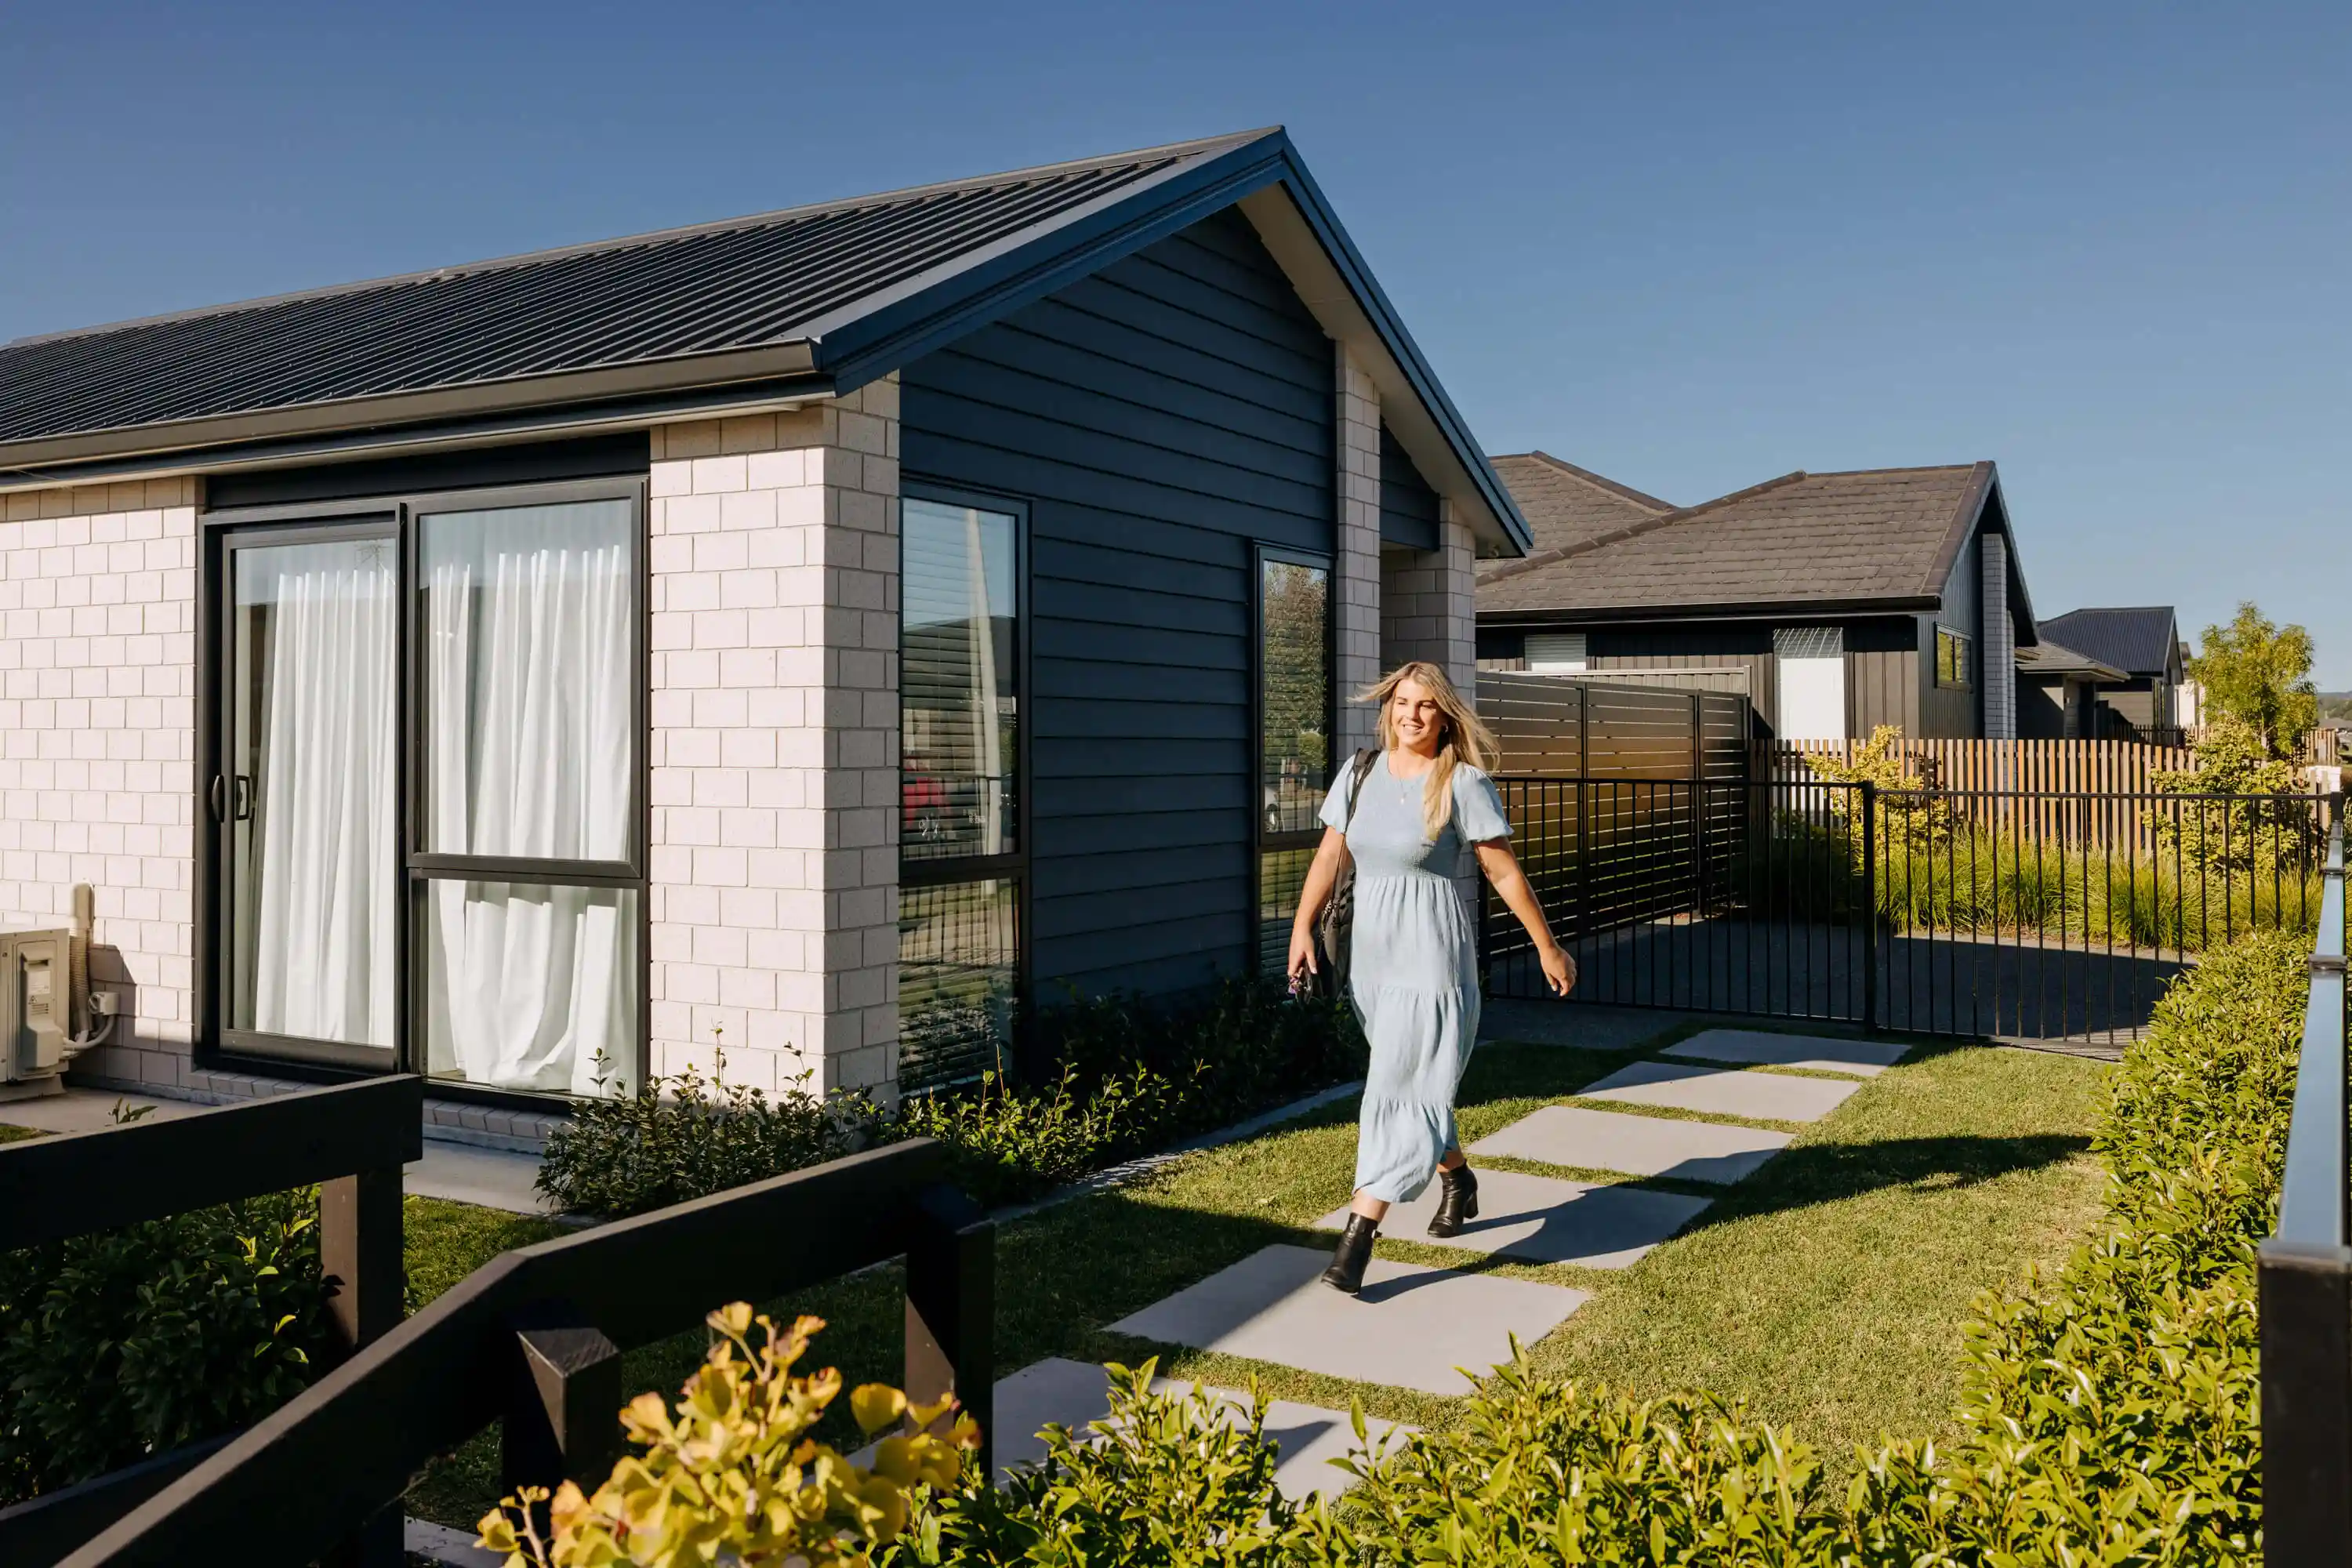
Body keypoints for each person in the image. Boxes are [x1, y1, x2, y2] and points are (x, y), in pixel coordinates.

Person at [1287, 661, 1575, 1294]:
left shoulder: (1463, 782)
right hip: (1373, 964)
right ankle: (1458, 1176)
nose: (1411, 715)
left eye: (1425, 706)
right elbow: (1331, 855)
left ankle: (1357, 1238)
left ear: (1445, 717)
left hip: (1433, 960)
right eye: (1402, 703)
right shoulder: (1359, 774)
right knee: (1414, 1083)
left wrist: (1547, 946)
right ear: (1387, 708)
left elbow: (1502, 873)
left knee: (1392, 1091)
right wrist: (1301, 926)